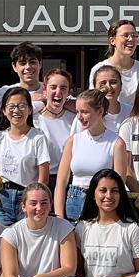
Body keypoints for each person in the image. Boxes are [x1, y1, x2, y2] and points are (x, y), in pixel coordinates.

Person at [0, 183, 86, 277]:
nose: (39, 208)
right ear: (23, 206)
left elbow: (69, 269)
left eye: (44, 203)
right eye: (33, 203)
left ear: (50, 205)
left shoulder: (64, 228)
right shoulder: (10, 234)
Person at [54, 89, 132, 222]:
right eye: (77, 112)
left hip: (101, 203)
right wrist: (59, 217)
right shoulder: (73, 141)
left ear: (100, 112)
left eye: (84, 112)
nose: (79, 116)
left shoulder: (116, 143)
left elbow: (118, 185)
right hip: (74, 201)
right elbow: (61, 183)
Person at [74, 169, 139, 277]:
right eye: (103, 190)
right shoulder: (82, 228)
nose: (109, 196)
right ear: (93, 194)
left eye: (114, 191)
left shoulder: (133, 229)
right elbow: (78, 269)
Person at [0, 87, 51, 227]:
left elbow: (43, 178)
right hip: (2, 197)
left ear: (30, 110)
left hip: (27, 196)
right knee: (3, 240)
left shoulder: (38, 137)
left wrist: (34, 200)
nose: (16, 111)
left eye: (22, 106)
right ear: (4, 111)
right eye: (11, 106)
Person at [35, 69, 78, 197]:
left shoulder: (75, 119)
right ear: (44, 90)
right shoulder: (33, 119)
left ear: (69, 92)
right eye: (53, 87)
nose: (58, 92)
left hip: (69, 181)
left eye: (63, 88)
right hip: (41, 180)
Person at [89, 20, 139, 105]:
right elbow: (93, 101)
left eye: (134, 36)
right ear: (112, 41)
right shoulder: (99, 69)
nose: (131, 39)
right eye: (126, 35)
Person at [0, 42, 46, 113]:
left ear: (40, 64)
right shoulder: (5, 92)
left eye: (32, 62)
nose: (28, 67)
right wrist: (29, 98)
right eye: (23, 63)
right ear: (14, 67)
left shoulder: (52, 90)